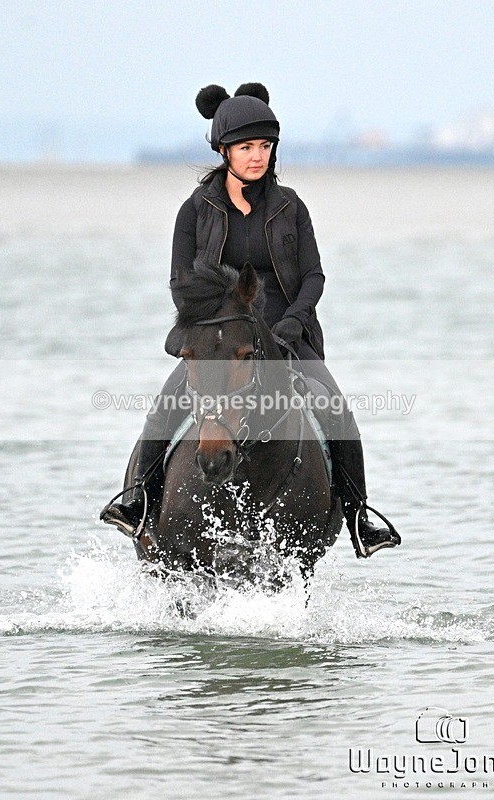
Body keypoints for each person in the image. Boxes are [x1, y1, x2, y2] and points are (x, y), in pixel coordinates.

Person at [101, 82, 401, 558]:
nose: (257, 156)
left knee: (337, 410)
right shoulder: (195, 211)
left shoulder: (290, 207)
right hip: (219, 334)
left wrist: (294, 322)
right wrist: (209, 323)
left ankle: (361, 515)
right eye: (246, 147)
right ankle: (137, 500)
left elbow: (313, 275)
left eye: (264, 146)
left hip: (285, 329)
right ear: (224, 151)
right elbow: (181, 283)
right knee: (164, 407)